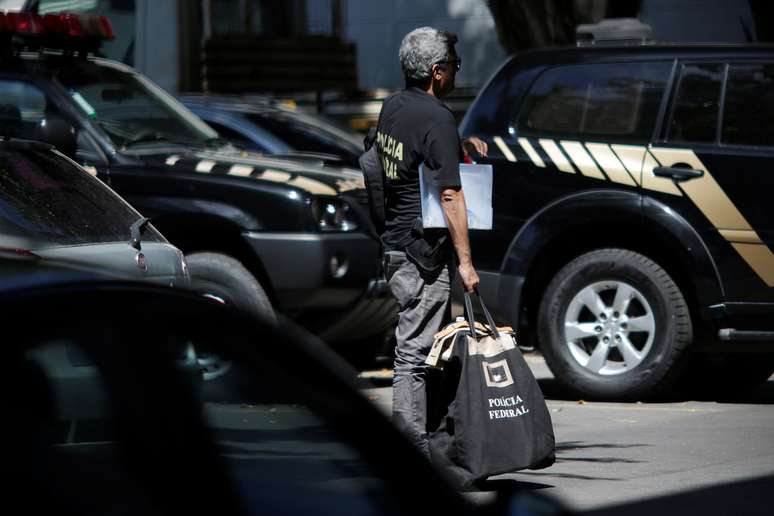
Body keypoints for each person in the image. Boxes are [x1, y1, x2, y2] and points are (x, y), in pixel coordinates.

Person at [376, 26, 488, 458]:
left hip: (396, 246)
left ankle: (433, 441)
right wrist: (466, 262)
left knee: (424, 352)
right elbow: (449, 194)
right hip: (421, 255)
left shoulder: (393, 107)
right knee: (414, 355)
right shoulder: (437, 115)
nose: (457, 72)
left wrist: (458, 145)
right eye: (454, 66)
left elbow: (406, 155)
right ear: (437, 72)